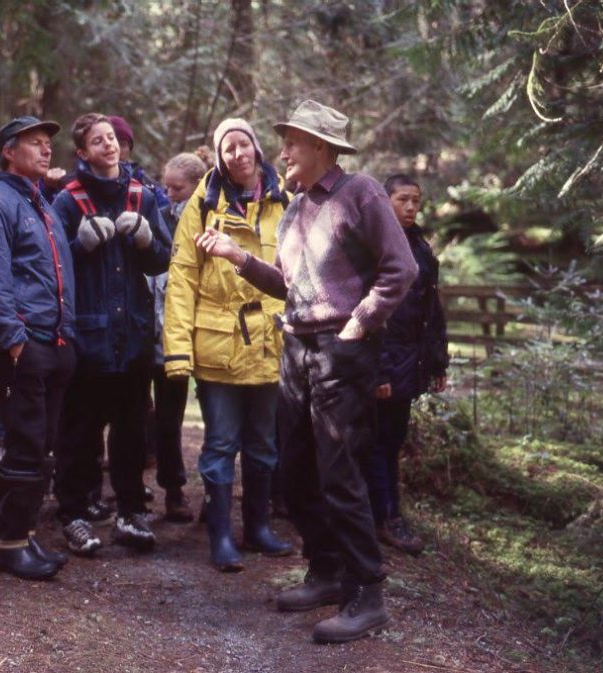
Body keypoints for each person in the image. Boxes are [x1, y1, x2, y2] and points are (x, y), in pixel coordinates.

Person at [195, 100, 417, 642]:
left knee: (340, 471)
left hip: (343, 350)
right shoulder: (293, 209)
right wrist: (236, 256)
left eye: (292, 141)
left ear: (321, 147)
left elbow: (401, 268)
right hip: (296, 348)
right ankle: (325, 571)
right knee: (294, 468)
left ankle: (366, 593)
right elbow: (292, 288)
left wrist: (361, 322)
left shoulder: (360, 191)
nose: (283, 151)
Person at [164, 118, 294, 572]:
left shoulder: (287, 202)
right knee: (220, 442)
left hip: (270, 347)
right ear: (218, 158)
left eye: (244, 145)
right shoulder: (201, 207)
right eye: (228, 149)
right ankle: (220, 535)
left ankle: (257, 528)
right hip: (217, 348)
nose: (238, 154)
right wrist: (178, 351)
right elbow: (180, 280)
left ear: (258, 149)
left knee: (262, 443)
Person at [50, 113, 171, 555]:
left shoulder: (143, 196)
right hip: (87, 336)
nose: (109, 145)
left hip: (133, 335)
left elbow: (163, 259)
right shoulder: (67, 201)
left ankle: (131, 511)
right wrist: (79, 245)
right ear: (82, 153)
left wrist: (145, 239)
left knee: (132, 427)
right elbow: (54, 265)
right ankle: (75, 512)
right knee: (80, 430)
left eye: (113, 139)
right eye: (98, 141)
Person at [0, 116, 76, 580]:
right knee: (25, 441)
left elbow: (57, 274)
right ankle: (9, 543)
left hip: (53, 340)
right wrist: (14, 342)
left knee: (43, 441)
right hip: (21, 343)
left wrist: (66, 335)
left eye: (49, 143)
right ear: (9, 151)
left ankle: (23, 531)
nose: (46, 150)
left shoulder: (42, 205)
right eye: (35, 143)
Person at [367, 174, 448, 555]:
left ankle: (386, 515)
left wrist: (437, 361)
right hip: (381, 364)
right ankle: (383, 518)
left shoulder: (421, 248)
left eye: (416, 200)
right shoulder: (375, 246)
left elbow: (431, 310)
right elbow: (369, 313)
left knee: (391, 441)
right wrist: (378, 371)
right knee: (376, 442)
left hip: (408, 363)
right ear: (385, 201)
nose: (412, 207)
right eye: (403, 199)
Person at [150, 150, 210, 523]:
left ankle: (214, 494)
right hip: (165, 334)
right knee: (168, 418)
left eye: (178, 188)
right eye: (166, 187)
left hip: (210, 332)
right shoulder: (159, 219)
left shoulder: (213, 216)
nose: (169, 194)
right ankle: (173, 489)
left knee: (218, 421)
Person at [107, 115, 170, 210]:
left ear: (129, 148)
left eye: (122, 145)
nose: (117, 149)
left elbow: (165, 207)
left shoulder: (142, 180)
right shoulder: (85, 180)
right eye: (111, 144)